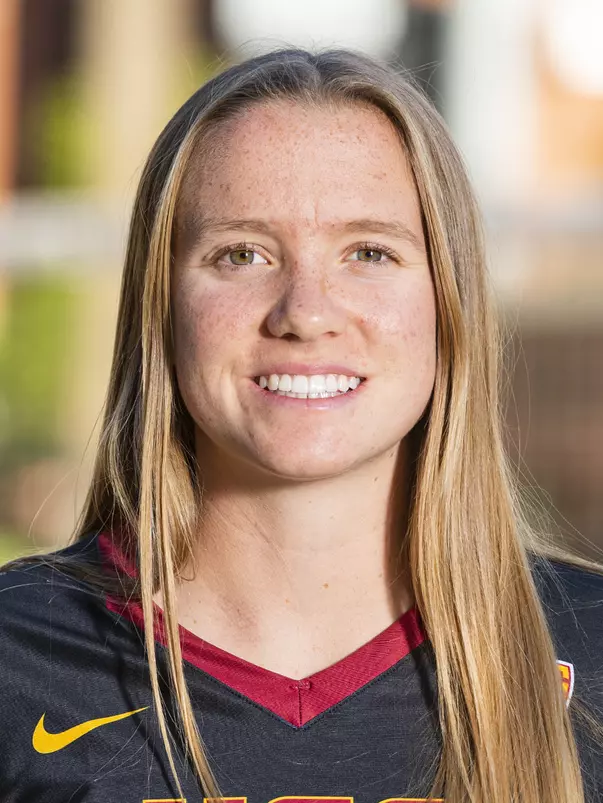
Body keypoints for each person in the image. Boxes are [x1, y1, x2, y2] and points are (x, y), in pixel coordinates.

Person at [0, 47, 601, 803]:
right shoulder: (15, 663)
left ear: (447, 304)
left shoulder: (590, 651)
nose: (305, 311)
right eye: (242, 254)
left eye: (369, 252)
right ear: (163, 306)